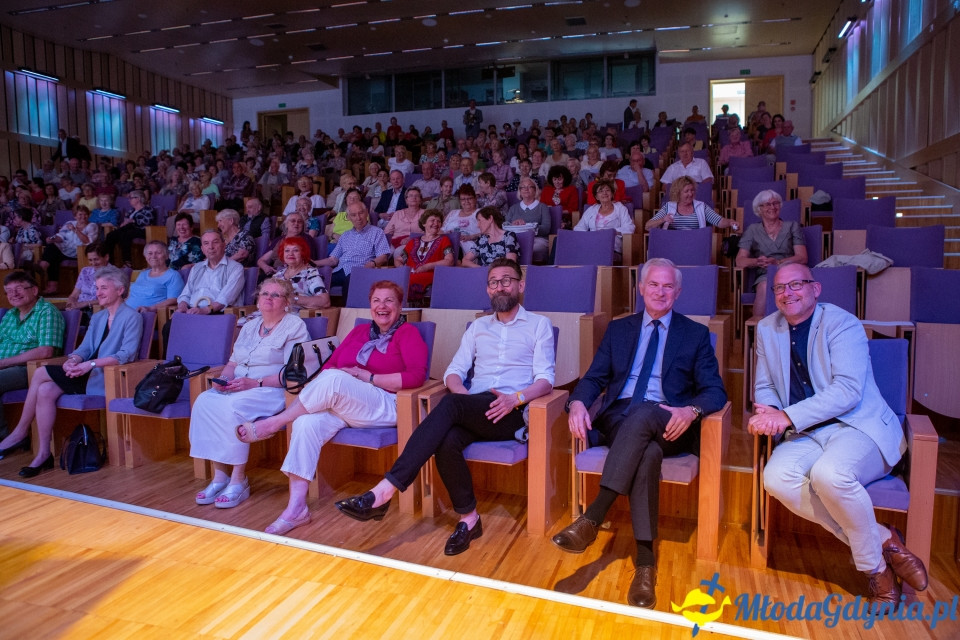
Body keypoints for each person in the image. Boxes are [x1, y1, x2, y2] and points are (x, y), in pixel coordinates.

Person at [336, 259, 554, 555]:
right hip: (474, 406)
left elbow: (546, 381)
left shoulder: (538, 325)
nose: (500, 286)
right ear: (488, 290)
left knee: (450, 408)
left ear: (520, 285)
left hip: (513, 411)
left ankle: (386, 490)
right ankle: (469, 518)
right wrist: (463, 397)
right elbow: (454, 372)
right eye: (493, 282)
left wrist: (514, 399)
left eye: (507, 280)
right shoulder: (478, 327)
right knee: (447, 441)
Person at [748, 264, 928, 603]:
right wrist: (769, 413)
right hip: (805, 434)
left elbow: (847, 391)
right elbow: (765, 384)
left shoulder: (843, 324)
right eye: (779, 288)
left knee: (830, 475)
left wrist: (785, 415)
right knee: (775, 479)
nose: (787, 293)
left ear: (815, 289)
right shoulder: (766, 329)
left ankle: (874, 569)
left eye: (796, 285)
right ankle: (885, 540)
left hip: (857, 426)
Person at [556, 258, 726, 608]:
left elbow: (715, 391)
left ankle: (593, 516)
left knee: (650, 412)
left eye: (668, 287)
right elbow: (594, 378)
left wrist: (690, 410)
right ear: (641, 288)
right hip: (621, 418)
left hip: (670, 423)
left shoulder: (693, 334)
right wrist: (576, 403)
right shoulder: (620, 329)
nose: (660, 292)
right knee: (646, 453)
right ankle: (646, 565)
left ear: (677, 293)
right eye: (654, 285)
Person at [235, 280, 429, 534]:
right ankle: (297, 509)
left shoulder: (408, 333)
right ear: (370, 305)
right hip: (347, 403)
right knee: (305, 422)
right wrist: (346, 377)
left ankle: (276, 421)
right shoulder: (358, 332)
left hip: (387, 403)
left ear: (400, 305)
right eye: (376, 301)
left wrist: (366, 377)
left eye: (389, 301)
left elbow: (416, 377)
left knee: (336, 380)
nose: (382, 306)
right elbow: (329, 366)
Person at [0, 266, 142, 477]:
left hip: (107, 377)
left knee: (40, 374)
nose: (98, 293)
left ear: (120, 290)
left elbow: (126, 354)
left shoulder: (132, 317)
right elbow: (84, 349)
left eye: (104, 288)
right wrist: (73, 360)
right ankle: (43, 453)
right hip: (86, 373)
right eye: (97, 288)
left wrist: (89, 365)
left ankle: (20, 431)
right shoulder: (99, 317)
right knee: (45, 390)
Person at [189, 278, 311, 508]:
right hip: (239, 385)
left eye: (275, 295)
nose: (268, 298)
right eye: (264, 293)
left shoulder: (294, 326)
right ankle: (219, 476)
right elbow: (232, 364)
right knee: (205, 400)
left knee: (231, 408)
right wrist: (223, 380)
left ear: (286, 302)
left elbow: (293, 373)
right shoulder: (250, 325)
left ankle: (238, 479)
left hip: (270, 390)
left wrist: (254, 383)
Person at [0, 271, 64, 444]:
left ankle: (5, 438)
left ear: (34, 290)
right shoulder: (9, 315)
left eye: (19, 288)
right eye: (9, 291)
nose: (13, 294)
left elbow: (45, 351)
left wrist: (4, 363)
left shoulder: (46, 312)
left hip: (29, 370)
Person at [736, 190, 807, 319]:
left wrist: (778, 263)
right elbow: (740, 260)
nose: (773, 207)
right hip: (765, 274)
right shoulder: (752, 229)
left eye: (776, 203)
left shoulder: (792, 226)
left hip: (789, 272)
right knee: (764, 285)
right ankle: (757, 329)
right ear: (759, 209)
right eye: (768, 204)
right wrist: (757, 261)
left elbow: (802, 257)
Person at [315, 200, 390, 299]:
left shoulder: (377, 232)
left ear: (367, 212)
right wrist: (314, 263)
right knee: (317, 279)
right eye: (354, 215)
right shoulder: (345, 235)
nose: (358, 218)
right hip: (340, 271)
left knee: (350, 280)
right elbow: (333, 260)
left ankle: (347, 311)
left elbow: (383, 256)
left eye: (361, 213)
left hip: (360, 271)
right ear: (349, 218)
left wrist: (372, 263)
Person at [175, 229, 245, 315]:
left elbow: (225, 298)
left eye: (215, 242)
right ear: (202, 249)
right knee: (169, 326)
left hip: (216, 313)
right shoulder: (196, 268)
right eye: (206, 243)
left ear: (224, 245)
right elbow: (185, 294)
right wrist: (182, 307)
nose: (211, 247)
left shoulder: (235, 268)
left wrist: (204, 310)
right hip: (192, 312)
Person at [398, 209, 454, 305]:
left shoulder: (444, 240)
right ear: (424, 223)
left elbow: (449, 261)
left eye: (439, 221)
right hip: (410, 274)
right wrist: (402, 269)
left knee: (409, 281)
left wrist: (427, 266)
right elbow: (399, 259)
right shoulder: (413, 242)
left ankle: (410, 310)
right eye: (432, 220)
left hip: (432, 275)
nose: (436, 223)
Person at [40, 205, 98, 294]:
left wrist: (75, 230)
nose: (83, 216)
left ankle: (43, 268)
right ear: (75, 216)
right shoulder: (69, 223)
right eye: (80, 214)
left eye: (85, 214)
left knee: (54, 257)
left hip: (79, 253)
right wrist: (53, 239)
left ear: (89, 215)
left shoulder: (92, 226)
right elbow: (61, 236)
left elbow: (88, 241)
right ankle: (44, 269)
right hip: (65, 250)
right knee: (52, 249)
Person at [646, 176, 739, 231]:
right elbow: (648, 226)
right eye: (686, 191)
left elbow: (719, 221)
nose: (690, 194)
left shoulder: (701, 206)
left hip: (695, 243)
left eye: (692, 190)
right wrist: (662, 220)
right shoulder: (669, 206)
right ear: (678, 193)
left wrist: (730, 222)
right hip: (672, 243)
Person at [575, 179, 636, 256]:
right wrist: (590, 235)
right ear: (596, 196)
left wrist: (614, 232)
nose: (604, 193)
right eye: (601, 191)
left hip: (612, 244)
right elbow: (578, 228)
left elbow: (629, 227)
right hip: (592, 242)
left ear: (612, 194)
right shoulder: (592, 209)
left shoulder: (620, 208)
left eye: (607, 190)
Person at [273, 236, 330, 312]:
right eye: (287, 251)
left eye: (295, 250)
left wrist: (294, 298)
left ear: (303, 253)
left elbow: (324, 301)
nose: (290, 254)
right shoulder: (278, 275)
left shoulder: (310, 273)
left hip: (292, 316)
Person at [126, 240, 185, 311]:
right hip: (125, 311)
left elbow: (173, 299)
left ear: (167, 256)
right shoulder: (142, 274)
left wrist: (150, 308)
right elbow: (132, 295)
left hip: (144, 314)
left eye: (158, 253)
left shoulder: (173, 275)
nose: (153, 256)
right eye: (150, 253)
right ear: (146, 257)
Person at [101, 190, 154, 267]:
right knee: (110, 235)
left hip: (142, 230)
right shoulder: (131, 210)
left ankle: (127, 262)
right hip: (128, 228)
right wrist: (125, 223)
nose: (129, 200)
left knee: (125, 234)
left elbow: (147, 221)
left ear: (138, 199)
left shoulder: (148, 209)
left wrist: (132, 221)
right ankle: (109, 261)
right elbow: (126, 221)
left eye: (131, 198)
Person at [506, 177, 551, 264]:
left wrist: (527, 226)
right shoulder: (513, 208)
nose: (526, 189)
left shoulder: (542, 207)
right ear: (520, 191)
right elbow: (505, 226)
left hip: (536, 240)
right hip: (515, 240)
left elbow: (546, 228)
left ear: (535, 190)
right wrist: (513, 224)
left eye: (530, 187)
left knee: (528, 247)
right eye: (523, 187)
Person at [256, 207, 312, 275]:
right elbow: (262, 260)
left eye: (300, 222)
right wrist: (266, 267)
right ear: (286, 224)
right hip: (274, 273)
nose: (296, 224)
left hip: (295, 274)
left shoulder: (307, 239)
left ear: (303, 225)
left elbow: (308, 261)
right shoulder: (278, 240)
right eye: (293, 221)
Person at [65, 242, 110, 311]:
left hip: (98, 310)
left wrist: (86, 304)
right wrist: (71, 302)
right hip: (80, 308)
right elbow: (74, 295)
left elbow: (110, 298)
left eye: (96, 259)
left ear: (106, 257)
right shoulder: (85, 271)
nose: (93, 263)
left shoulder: (114, 274)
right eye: (90, 260)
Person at [441, 183, 482, 258]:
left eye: (469, 198)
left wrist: (470, 237)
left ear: (475, 199)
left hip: (469, 247)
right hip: (448, 243)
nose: (466, 201)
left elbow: (488, 232)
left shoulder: (481, 213)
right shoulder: (453, 213)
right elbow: (440, 230)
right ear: (459, 201)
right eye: (463, 199)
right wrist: (446, 234)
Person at [384, 187, 425, 258]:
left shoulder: (426, 214)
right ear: (406, 200)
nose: (414, 198)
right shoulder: (397, 214)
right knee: (385, 252)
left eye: (417, 196)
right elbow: (387, 232)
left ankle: (400, 269)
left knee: (399, 252)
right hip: (395, 241)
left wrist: (411, 238)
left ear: (420, 200)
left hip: (416, 242)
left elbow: (429, 232)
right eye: (411, 195)